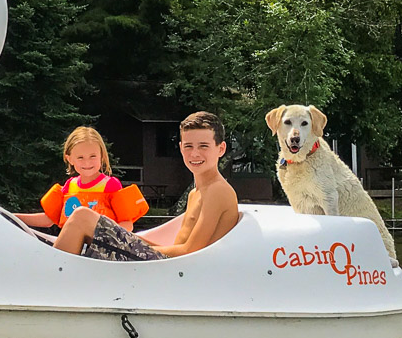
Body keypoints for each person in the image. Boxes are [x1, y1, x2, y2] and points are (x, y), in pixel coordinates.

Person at [54, 111, 239, 261]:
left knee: (82, 217)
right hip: (167, 259)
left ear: (221, 149)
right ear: (181, 148)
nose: (195, 153)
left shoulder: (218, 190)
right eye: (189, 146)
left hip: (174, 267)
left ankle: (51, 277)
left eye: (204, 146)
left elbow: (190, 251)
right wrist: (131, 240)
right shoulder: (195, 193)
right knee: (85, 222)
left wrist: (129, 243)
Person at [14, 126, 148, 232]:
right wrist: (12, 217)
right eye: (80, 158)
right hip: (75, 249)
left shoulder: (111, 185)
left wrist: (104, 237)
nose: (87, 162)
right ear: (69, 159)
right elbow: (49, 220)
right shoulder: (68, 186)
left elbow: (127, 224)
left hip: (99, 249)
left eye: (92, 156)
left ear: (102, 156)